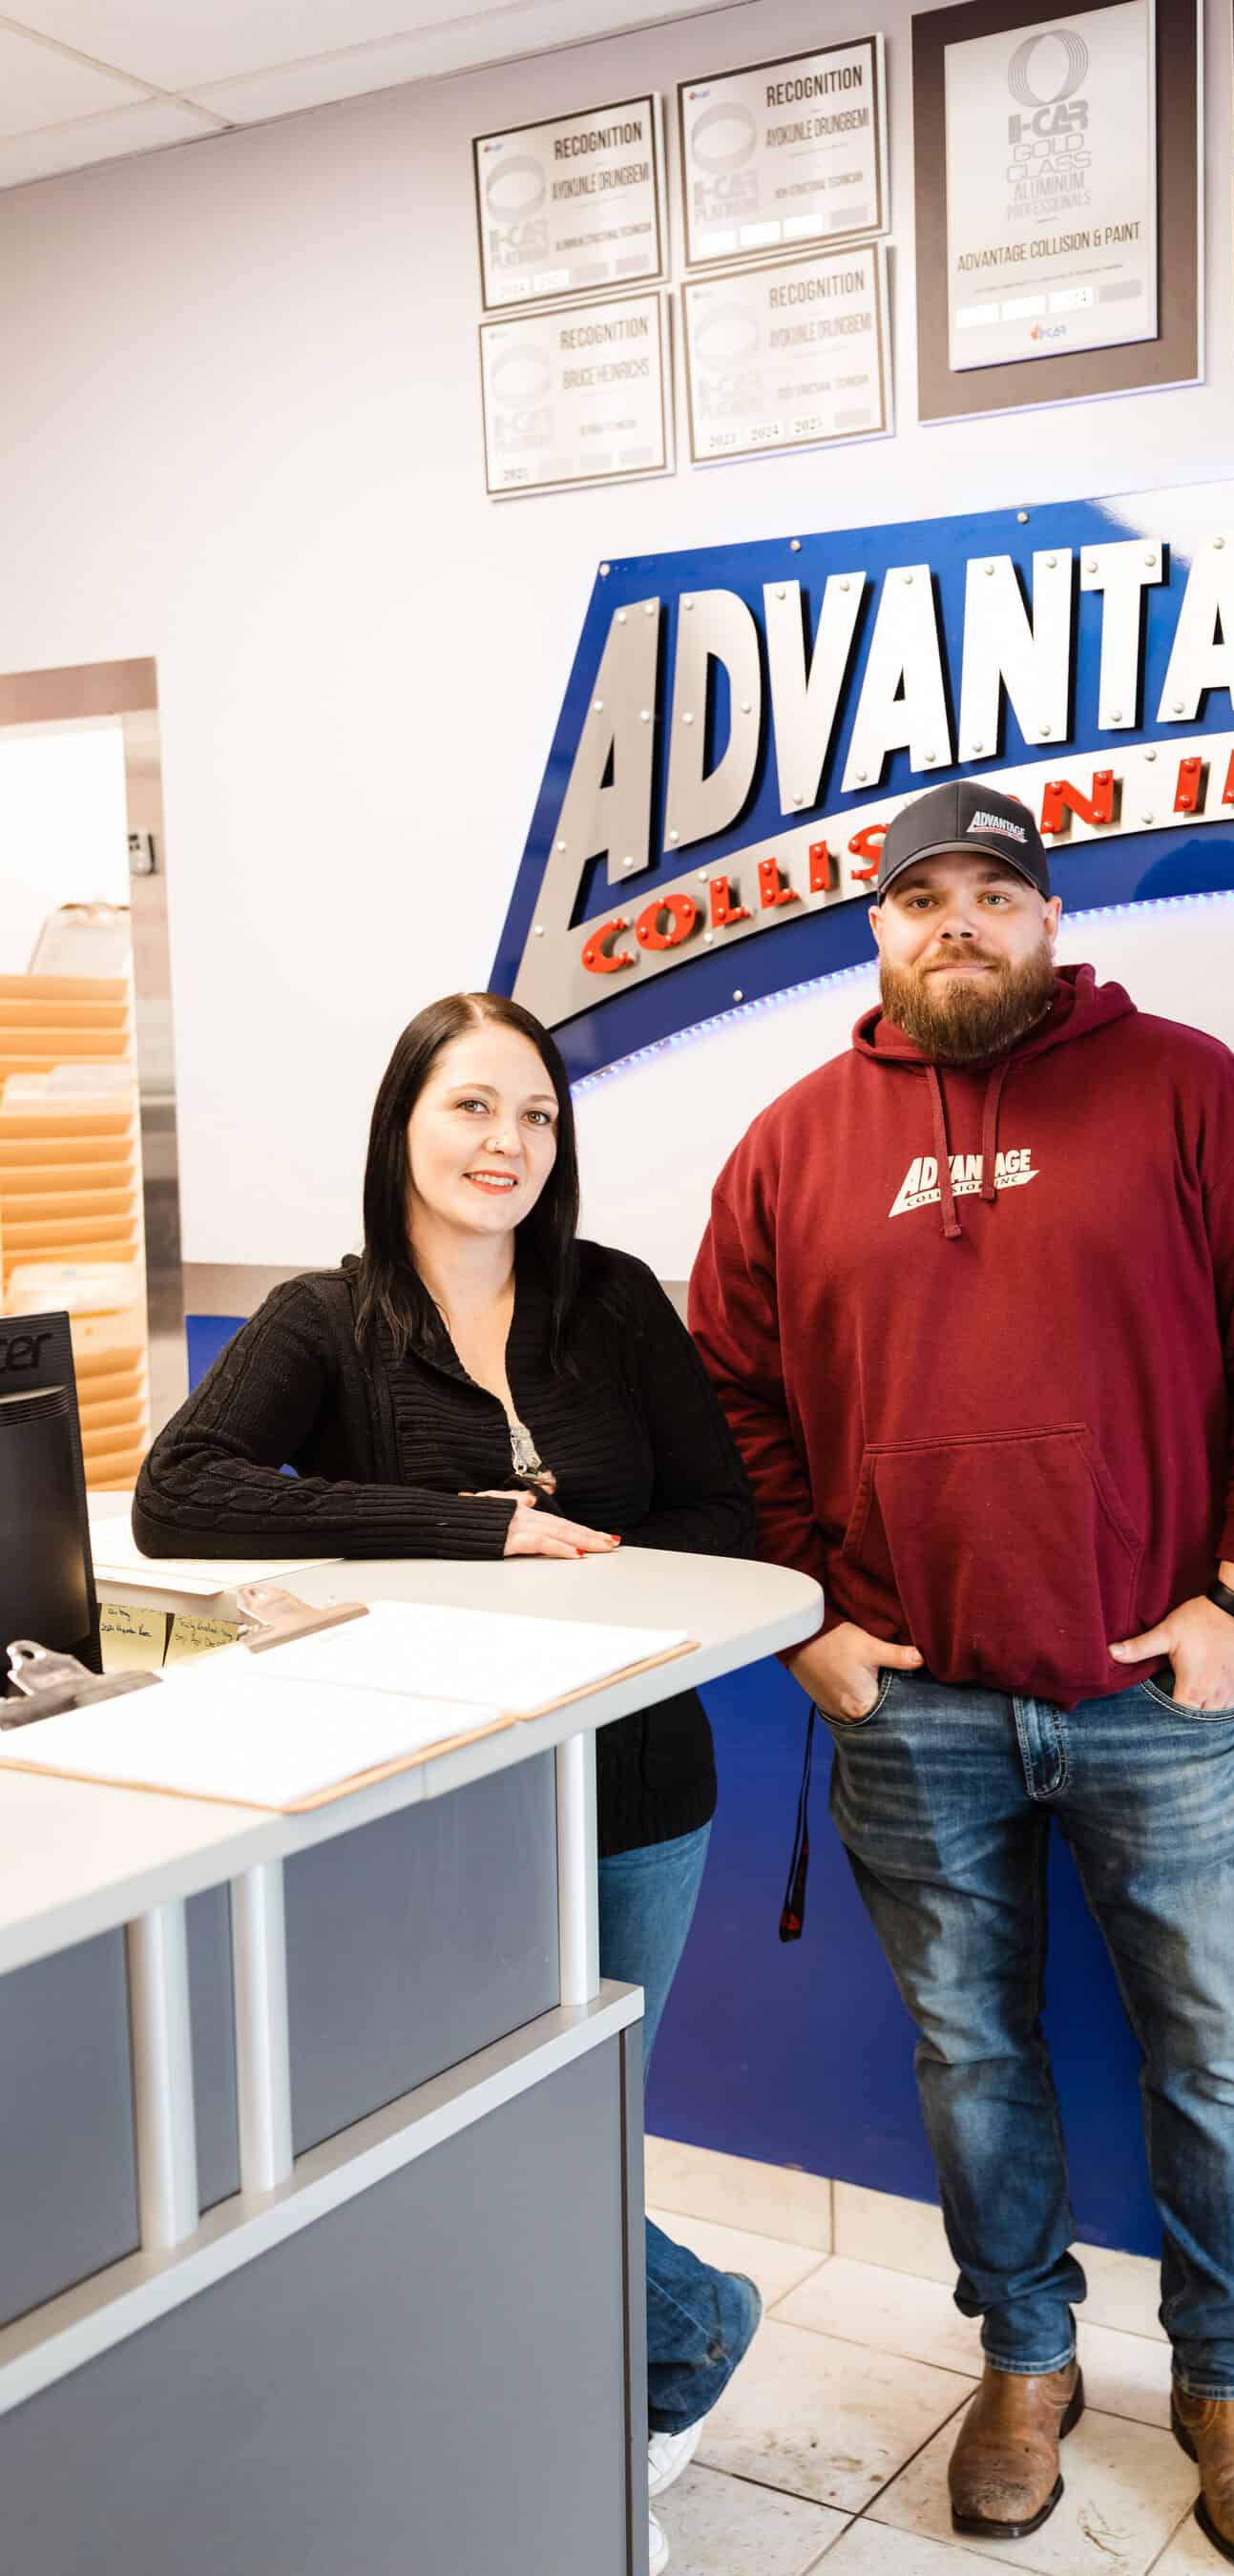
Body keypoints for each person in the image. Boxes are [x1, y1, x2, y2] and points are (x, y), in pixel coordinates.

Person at [689, 782, 1234, 2569]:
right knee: (971, 2057)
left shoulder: (1191, 1093)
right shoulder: (787, 1145)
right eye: (927, 900)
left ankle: (1228, 2384)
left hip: (1158, 1703)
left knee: (1213, 2060)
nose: (961, 925)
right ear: (879, 930)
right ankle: (1027, 2357)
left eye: (997, 893)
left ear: (1050, 919)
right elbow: (725, 1406)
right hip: (909, 1712)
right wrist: (807, 1620)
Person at [134, 990, 760, 2576]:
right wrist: (474, 1524)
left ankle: (603, 2405)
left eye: (537, 1116)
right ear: (403, 1124)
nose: (507, 1145)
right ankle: (685, 2330)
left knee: (569, 2124)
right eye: (473, 1108)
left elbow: (723, 1525)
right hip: (432, 1804)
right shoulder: (324, 1320)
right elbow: (178, 1498)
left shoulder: (611, 1306)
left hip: (629, 1790)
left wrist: (596, 1569)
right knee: (470, 2129)